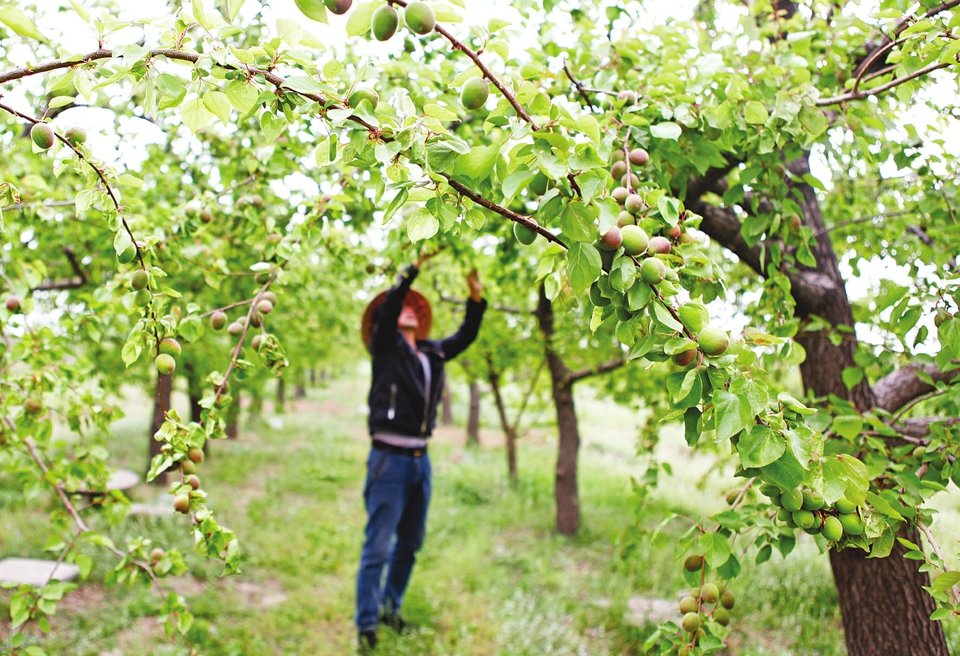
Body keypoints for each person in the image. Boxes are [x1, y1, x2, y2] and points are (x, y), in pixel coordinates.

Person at [355, 255, 486, 651]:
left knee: (410, 543)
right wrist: (410, 272)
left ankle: (390, 607)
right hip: (388, 459)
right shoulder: (385, 348)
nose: (409, 309)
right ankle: (366, 625)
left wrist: (475, 298)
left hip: (419, 461)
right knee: (378, 546)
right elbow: (390, 307)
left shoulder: (432, 352)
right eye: (403, 307)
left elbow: (464, 336)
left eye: (415, 307)